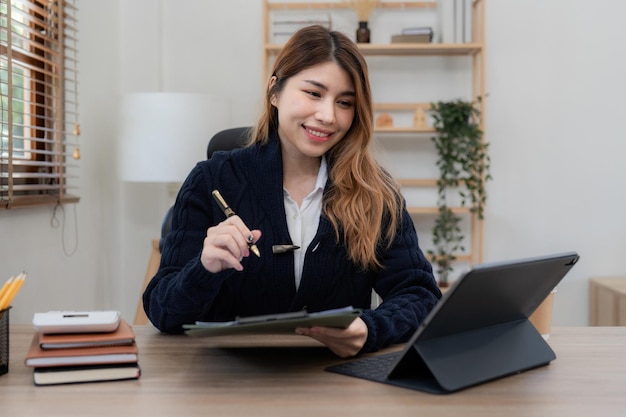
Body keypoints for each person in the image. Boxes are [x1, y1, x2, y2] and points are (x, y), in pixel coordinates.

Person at [143, 25, 441, 358]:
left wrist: (371, 328)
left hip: (335, 382)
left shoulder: (375, 192)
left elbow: (421, 297)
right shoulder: (210, 180)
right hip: (227, 386)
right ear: (275, 91)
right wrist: (204, 268)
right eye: (314, 93)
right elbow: (163, 312)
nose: (328, 116)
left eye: (344, 102)